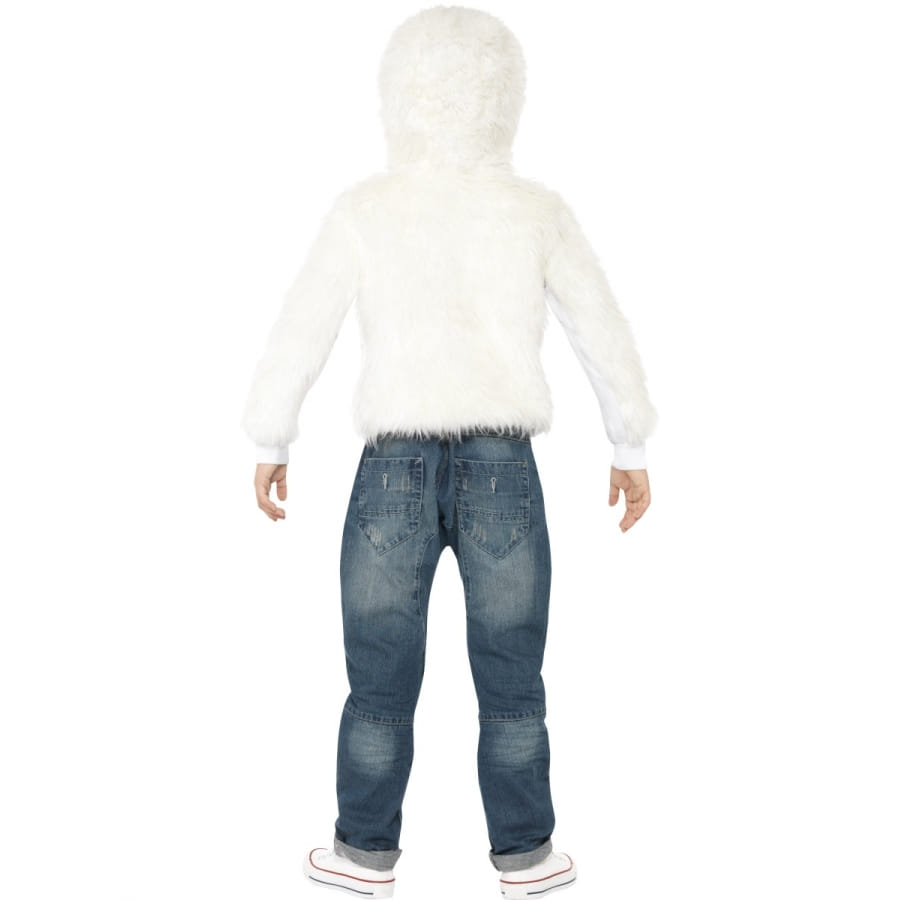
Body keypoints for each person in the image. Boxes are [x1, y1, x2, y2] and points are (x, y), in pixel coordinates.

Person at [241, 6, 657, 897]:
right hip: (503, 464)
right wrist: (628, 443)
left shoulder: (366, 209)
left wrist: (273, 435)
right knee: (513, 677)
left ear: (399, 95)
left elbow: (302, 325)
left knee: (378, 678)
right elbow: (600, 326)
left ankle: (363, 855)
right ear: (506, 99)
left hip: (392, 461)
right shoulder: (536, 211)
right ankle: (527, 858)